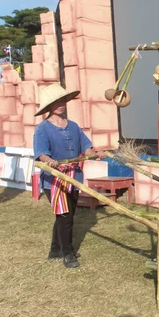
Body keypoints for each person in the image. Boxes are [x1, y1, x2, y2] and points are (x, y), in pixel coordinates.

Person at [33, 83, 105, 269]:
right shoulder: (43, 129)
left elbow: (86, 148)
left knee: (67, 214)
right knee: (65, 216)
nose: (60, 104)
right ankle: (68, 253)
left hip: (74, 177)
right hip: (54, 180)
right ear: (48, 106)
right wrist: (49, 161)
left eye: (63, 100)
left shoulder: (73, 127)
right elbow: (41, 153)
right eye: (55, 101)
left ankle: (55, 248)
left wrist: (95, 153)